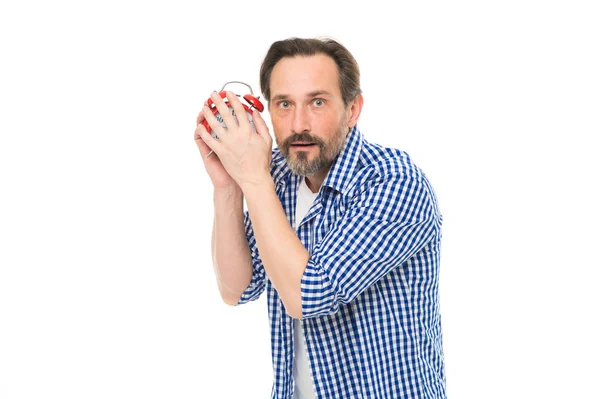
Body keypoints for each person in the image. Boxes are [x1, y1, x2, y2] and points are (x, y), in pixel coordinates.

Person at [194, 37, 446, 399]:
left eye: (317, 102)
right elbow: (237, 289)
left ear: (353, 109)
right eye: (284, 104)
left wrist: (252, 178)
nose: (299, 124)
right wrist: (228, 187)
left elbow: (307, 295)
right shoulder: (276, 175)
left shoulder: (396, 182)